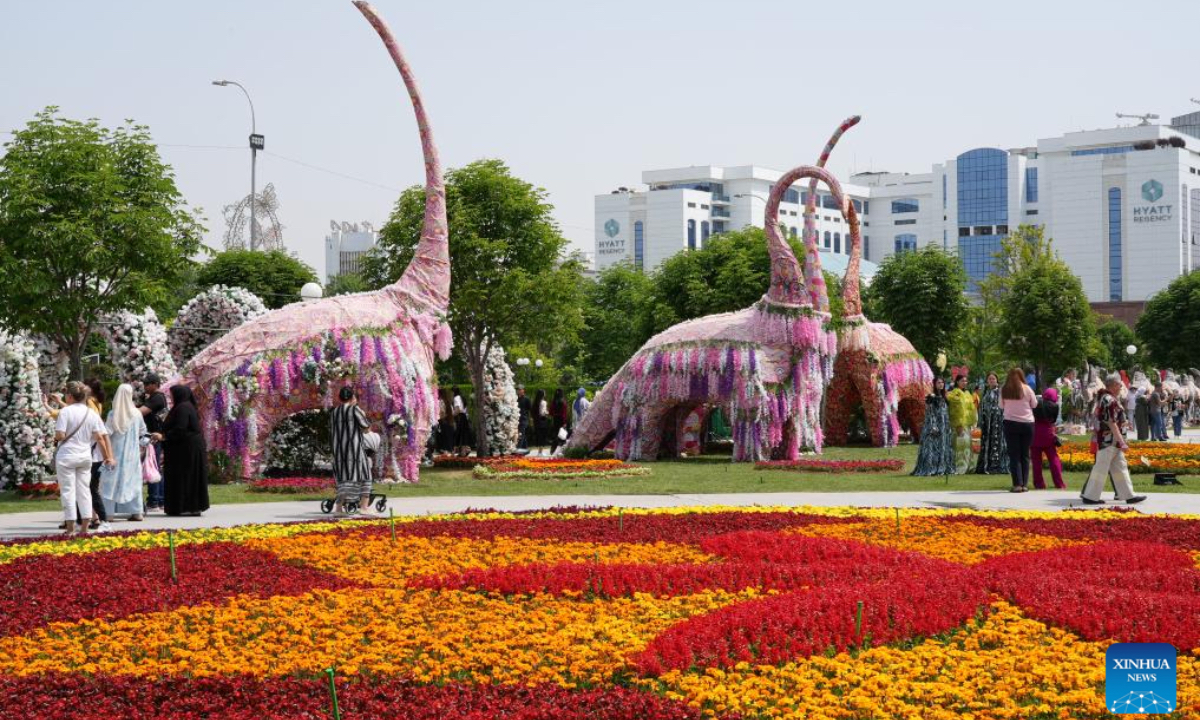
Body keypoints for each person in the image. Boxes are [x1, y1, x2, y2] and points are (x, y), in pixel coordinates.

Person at [54, 382, 114, 535]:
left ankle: (70, 528)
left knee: (68, 491)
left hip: (67, 455)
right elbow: (100, 437)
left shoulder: (65, 412)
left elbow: (60, 435)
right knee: (85, 491)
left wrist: (57, 437)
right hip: (85, 456)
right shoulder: (91, 413)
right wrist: (107, 457)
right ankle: (86, 527)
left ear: (70, 396)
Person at [1081, 375, 1146, 505]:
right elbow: (1111, 423)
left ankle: (1128, 495)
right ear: (1111, 385)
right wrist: (1122, 442)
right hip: (1108, 441)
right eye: (1118, 384)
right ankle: (1090, 496)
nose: (1121, 387)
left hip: (1111, 441)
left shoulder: (1108, 398)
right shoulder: (1109, 399)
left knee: (1120, 468)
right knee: (1101, 469)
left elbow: (1114, 420)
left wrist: (1124, 423)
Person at [152, 385, 210, 517]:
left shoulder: (183, 408)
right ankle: (188, 506)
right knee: (187, 477)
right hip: (185, 448)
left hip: (186, 449)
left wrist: (164, 436)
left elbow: (180, 428)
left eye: (172, 395)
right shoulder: (184, 406)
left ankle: (186, 506)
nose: (171, 397)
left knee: (185, 477)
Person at [99, 384, 148, 521]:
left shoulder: (113, 414)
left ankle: (108, 514)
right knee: (133, 482)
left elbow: (106, 433)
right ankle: (137, 512)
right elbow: (144, 433)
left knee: (109, 483)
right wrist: (142, 448)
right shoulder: (137, 413)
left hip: (114, 454)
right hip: (132, 456)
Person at [330, 386, 372, 516]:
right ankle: (364, 507)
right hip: (354, 450)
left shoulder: (334, 412)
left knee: (343, 477)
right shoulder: (354, 409)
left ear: (340, 398)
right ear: (353, 397)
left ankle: (338, 508)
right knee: (365, 475)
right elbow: (366, 428)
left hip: (338, 450)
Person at [1000, 368, 1037, 493]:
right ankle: (1025, 484)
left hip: (1010, 423)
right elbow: (1035, 404)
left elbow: (1001, 405)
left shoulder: (1004, 389)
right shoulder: (1027, 388)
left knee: (1014, 455)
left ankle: (1017, 484)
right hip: (1027, 423)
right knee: (1025, 454)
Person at [138, 373, 169, 512]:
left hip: (153, 438)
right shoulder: (155, 397)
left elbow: (141, 412)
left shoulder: (157, 398)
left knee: (152, 469)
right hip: (153, 437)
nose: (145, 386)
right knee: (155, 468)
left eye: (147, 384)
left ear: (155, 384)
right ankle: (159, 500)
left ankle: (154, 501)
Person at [912, 378, 954, 476]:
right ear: (934, 384)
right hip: (933, 426)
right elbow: (930, 413)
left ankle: (942, 466)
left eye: (942, 382)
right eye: (938, 382)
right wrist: (933, 426)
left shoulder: (944, 397)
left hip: (944, 426)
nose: (941, 384)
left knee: (943, 446)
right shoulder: (931, 397)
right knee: (932, 447)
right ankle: (931, 467)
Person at [83, 379, 110, 530]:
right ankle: (95, 517)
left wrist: (107, 456)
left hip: (91, 452)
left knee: (90, 487)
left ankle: (97, 517)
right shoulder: (96, 402)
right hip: (95, 452)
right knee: (91, 487)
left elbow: (100, 435)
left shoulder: (90, 405)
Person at [1031, 387, 1066, 490]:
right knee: (1053, 459)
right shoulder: (1055, 406)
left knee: (1036, 461)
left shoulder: (1037, 403)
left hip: (1035, 433)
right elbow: (1054, 421)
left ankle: (1039, 484)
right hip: (1048, 434)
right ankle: (1059, 483)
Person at [975, 372, 1009, 475]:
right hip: (987, 423)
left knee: (997, 443)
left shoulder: (1001, 392)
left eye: (993, 379)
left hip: (998, 423)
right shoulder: (985, 393)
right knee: (987, 443)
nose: (991, 381)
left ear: (997, 380)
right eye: (989, 379)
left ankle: (997, 465)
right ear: (987, 381)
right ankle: (986, 465)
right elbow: (981, 408)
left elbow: (1005, 406)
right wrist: (980, 422)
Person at [946, 375, 976, 475]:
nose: (964, 382)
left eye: (966, 381)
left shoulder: (968, 393)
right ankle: (959, 468)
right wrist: (958, 424)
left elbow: (971, 409)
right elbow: (954, 410)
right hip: (958, 424)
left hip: (967, 424)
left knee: (967, 445)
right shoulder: (954, 393)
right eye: (962, 381)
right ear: (957, 382)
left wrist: (972, 422)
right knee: (959, 446)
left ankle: (969, 467)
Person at [451, 387, 473, 457]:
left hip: (460, 417)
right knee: (464, 434)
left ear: (453, 392)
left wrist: (451, 414)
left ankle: (457, 452)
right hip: (464, 417)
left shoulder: (456, 398)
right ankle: (464, 451)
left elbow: (457, 410)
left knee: (458, 434)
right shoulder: (462, 397)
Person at [549, 388, 569, 454]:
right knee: (563, 435)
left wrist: (554, 415)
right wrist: (564, 422)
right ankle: (562, 451)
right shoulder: (563, 401)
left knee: (556, 434)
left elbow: (550, 412)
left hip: (555, 419)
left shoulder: (553, 401)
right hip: (561, 419)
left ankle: (553, 447)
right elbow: (564, 413)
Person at [531, 389, 550, 456]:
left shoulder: (535, 402)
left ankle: (539, 452)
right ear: (542, 394)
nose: (545, 394)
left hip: (536, 421)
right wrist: (547, 413)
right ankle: (540, 452)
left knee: (538, 436)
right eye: (544, 393)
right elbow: (542, 413)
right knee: (542, 435)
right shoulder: (543, 402)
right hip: (542, 420)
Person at [436, 388, 455, 455]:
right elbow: (452, 412)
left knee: (444, 440)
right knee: (449, 440)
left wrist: (437, 418)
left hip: (443, 423)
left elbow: (442, 413)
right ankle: (450, 452)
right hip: (449, 422)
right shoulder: (448, 402)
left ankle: (445, 453)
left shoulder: (441, 401)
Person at [516, 385, 532, 450]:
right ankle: (525, 448)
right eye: (517, 390)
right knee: (522, 434)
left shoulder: (526, 399)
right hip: (517, 419)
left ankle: (518, 449)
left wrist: (529, 418)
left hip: (524, 419)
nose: (518, 391)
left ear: (523, 390)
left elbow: (530, 409)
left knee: (521, 433)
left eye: (520, 389)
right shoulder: (516, 398)